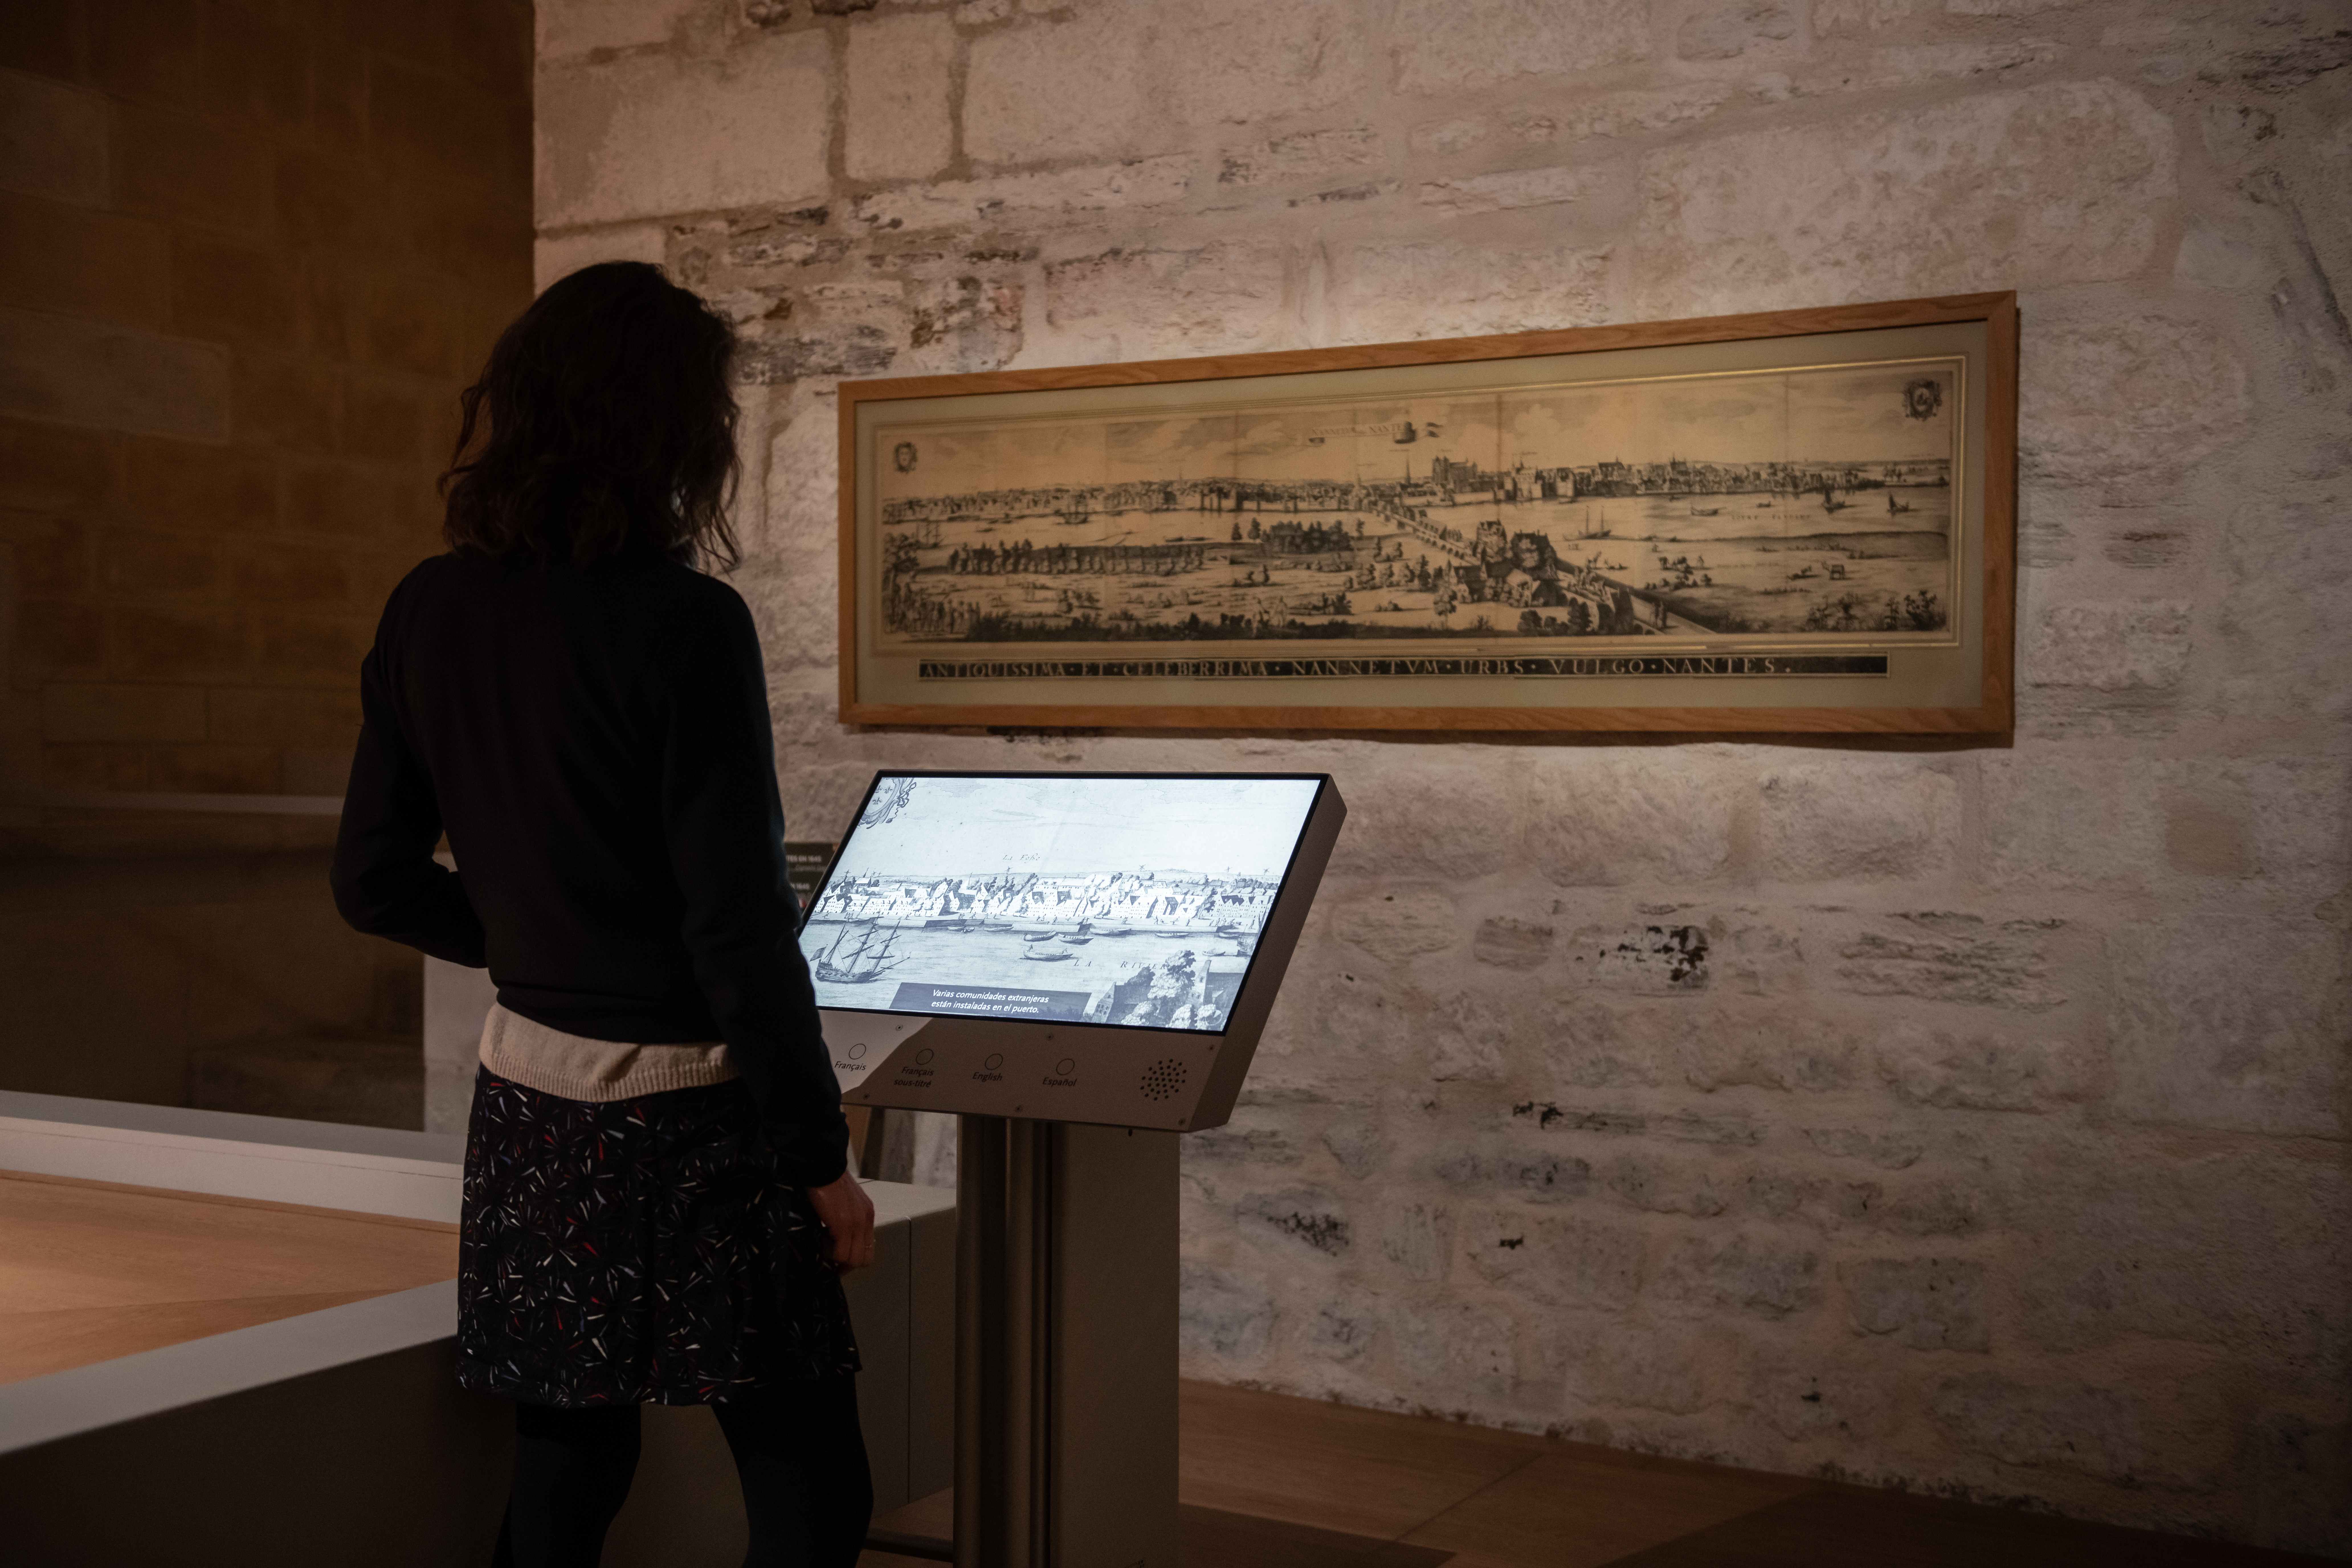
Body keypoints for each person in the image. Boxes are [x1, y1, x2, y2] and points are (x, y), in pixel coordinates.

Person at [330, 262, 875, 1568]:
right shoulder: (687, 623)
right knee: (810, 1477)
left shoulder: (429, 606)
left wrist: (534, 941)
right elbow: (737, 926)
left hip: (532, 1108)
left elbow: (373, 878)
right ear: (675, 430)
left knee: (569, 1465)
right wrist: (820, 1158)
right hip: (701, 1116)